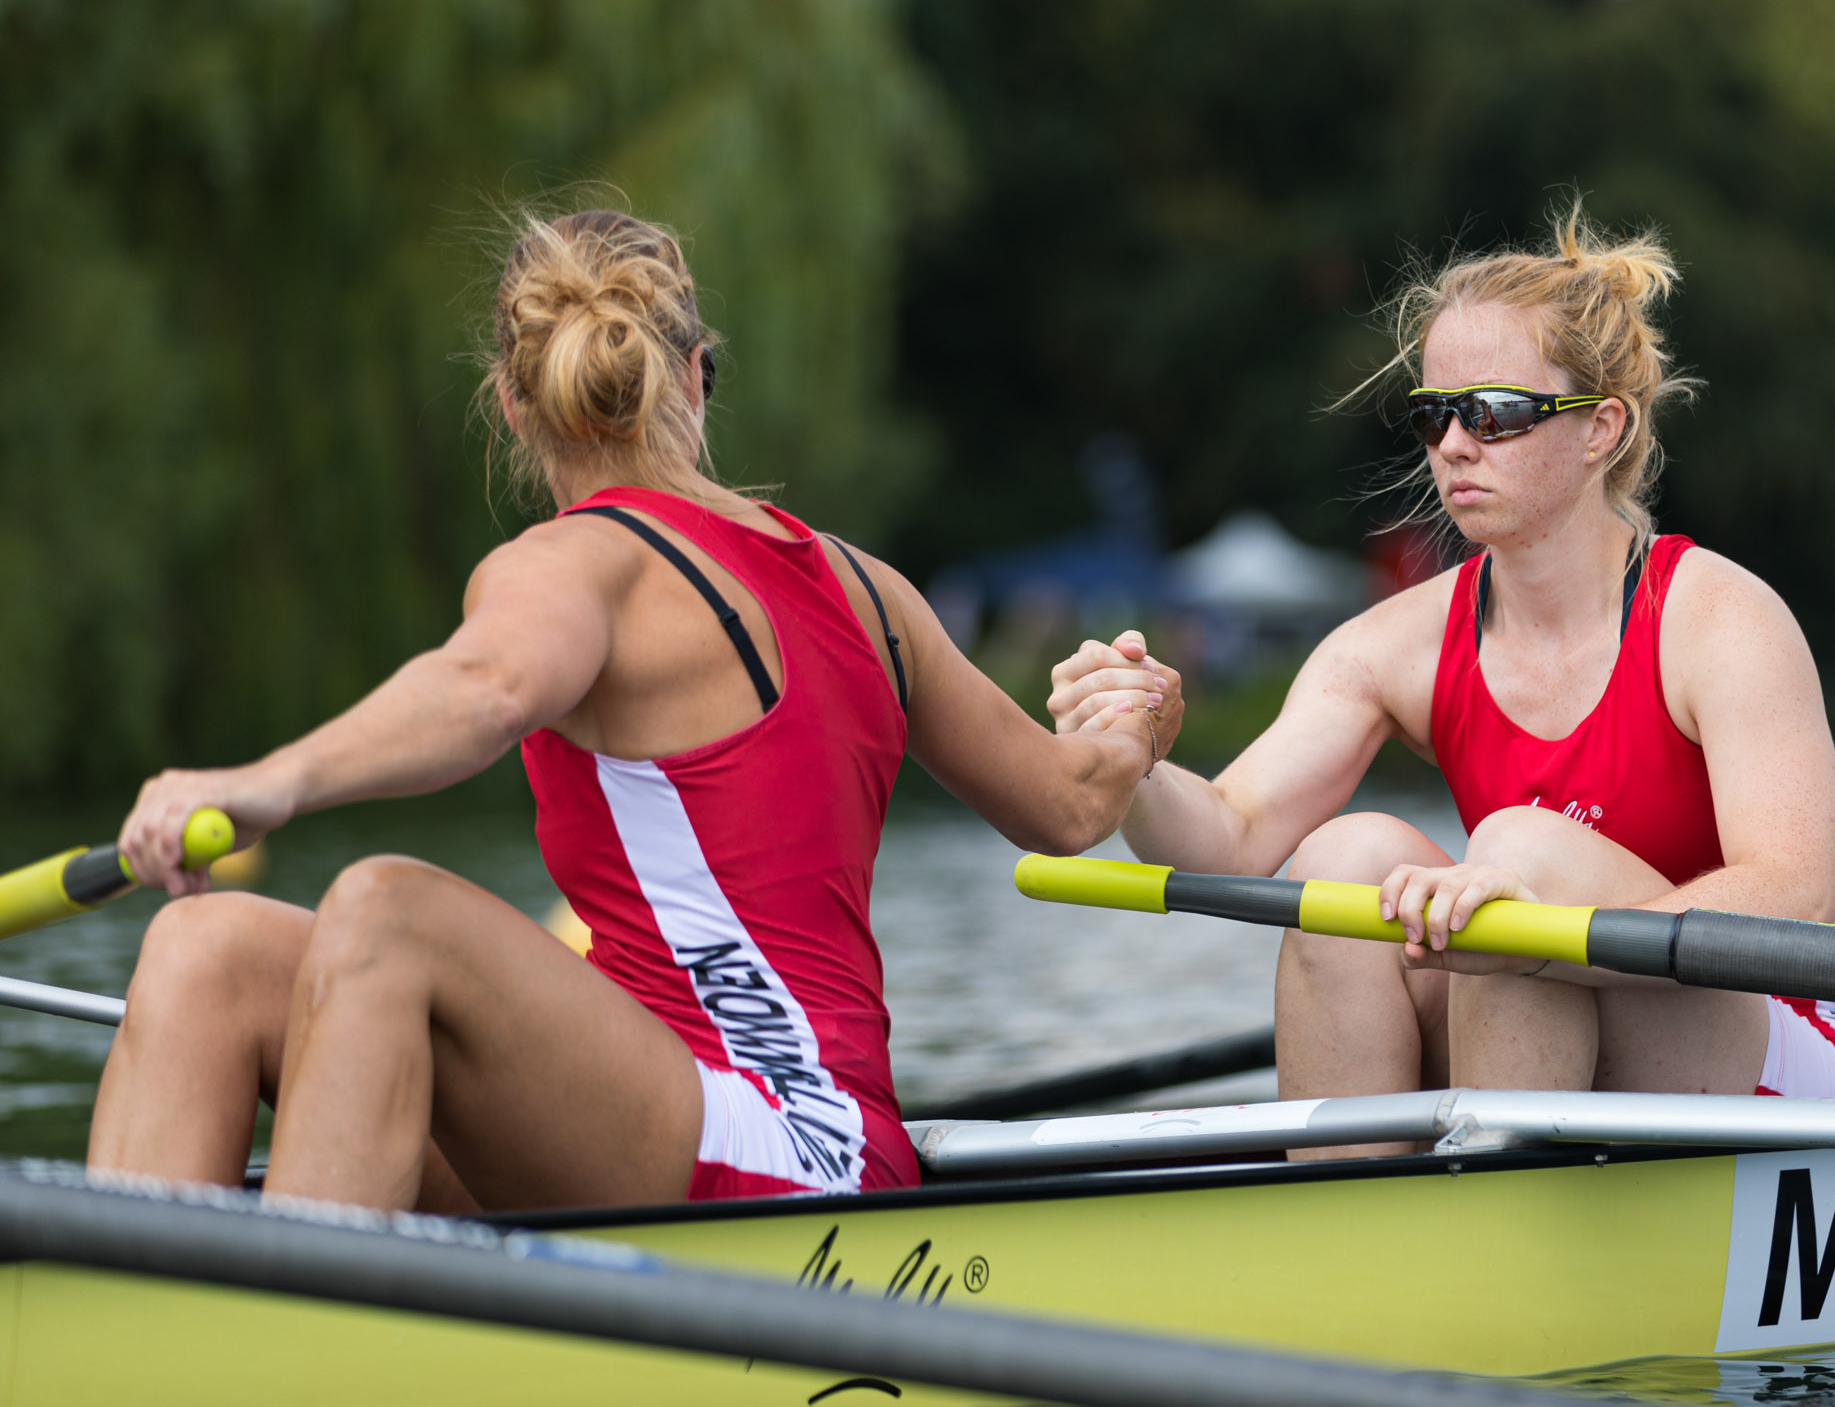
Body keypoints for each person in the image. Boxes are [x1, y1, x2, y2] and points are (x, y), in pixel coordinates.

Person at [88, 208, 1173, 1212]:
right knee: (204, 943)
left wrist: (263, 781)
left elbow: (483, 689)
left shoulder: (571, 564)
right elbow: (1073, 801)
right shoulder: (871, 591)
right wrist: (1134, 715)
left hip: (793, 1140)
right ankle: (132, 1346)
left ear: (512, 406)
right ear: (698, 379)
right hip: (631, 1113)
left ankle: (280, 1346)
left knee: (384, 909)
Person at [1048, 209, 1835, 1157]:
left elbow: (1796, 895)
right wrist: (1134, 755)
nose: (1451, 444)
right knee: (1345, 862)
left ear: (1601, 428)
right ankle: (1353, 1232)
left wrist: (1550, 933)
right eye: (1432, 413)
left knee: (1517, 859)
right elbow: (1229, 839)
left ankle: (1494, 1232)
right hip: (1556, 1028)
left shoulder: (1720, 619)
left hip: (1783, 1063)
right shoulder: (1395, 643)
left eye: (1491, 413)